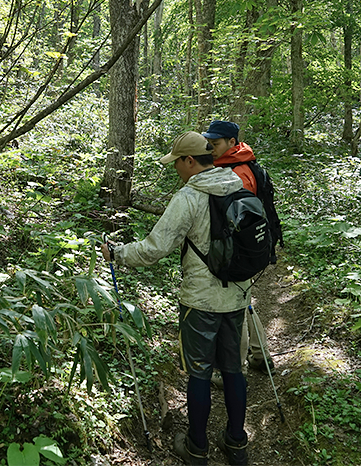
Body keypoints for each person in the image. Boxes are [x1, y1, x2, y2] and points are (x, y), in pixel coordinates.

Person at [100, 131, 249, 466]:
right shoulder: (237, 185)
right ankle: (237, 444)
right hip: (237, 296)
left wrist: (118, 254)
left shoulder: (189, 197)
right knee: (232, 371)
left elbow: (156, 248)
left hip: (200, 301)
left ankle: (197, 449)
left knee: (199, 373)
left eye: (177, 163)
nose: (176, 170)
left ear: (189, 161)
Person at [202, 120, 273, 374]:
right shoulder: (236, 164)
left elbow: (239, 217)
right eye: (208, 142)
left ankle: (236, 370)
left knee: (238, 307)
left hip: (239, 250)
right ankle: (260, 354)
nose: (210, 147)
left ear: (232, 142)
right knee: (245, 299)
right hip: (248, 247)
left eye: (216, 143)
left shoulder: (238, 173)